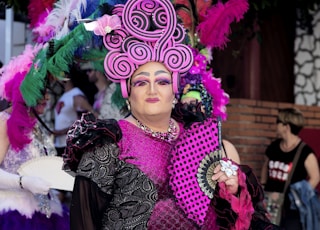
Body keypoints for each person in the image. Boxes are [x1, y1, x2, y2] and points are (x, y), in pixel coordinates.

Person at [63, 0, 278, 229]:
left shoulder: (199, 138)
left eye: (162, 81)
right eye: (142, 82)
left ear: (174, 90)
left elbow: (229, 217)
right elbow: (85, 221)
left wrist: (231, 190)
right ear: (127, 93)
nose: (153, 90)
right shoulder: (107, 144)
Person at [0, 45, 69, 229]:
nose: (47, 97)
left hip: (46, 212)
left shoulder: (35, 123)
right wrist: (24, 182)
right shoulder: (4, 122)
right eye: (41, 91)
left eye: (48, 90)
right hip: (15, 214)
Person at [261, 108, 320, 229]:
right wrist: (262, 186)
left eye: (278, 121)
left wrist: (300, 197)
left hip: (292, 209)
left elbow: (315, 177)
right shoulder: (274, 146)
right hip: (270, 203)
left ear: (286, 126)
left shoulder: (305, 151)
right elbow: (265, 166)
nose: (276, 125)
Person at [54, 65, 98, 157]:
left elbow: (87, 120)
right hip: (59, 144)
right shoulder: (65, 95)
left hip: (71, 145)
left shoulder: (76, 95)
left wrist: (62, 131)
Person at [81, 54, 124, 120]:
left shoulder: (112, 91)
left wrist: (89, 108)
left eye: (89, 70)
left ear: (98, 72)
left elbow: (109, 119)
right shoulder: (97, 95)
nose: (87, 73)